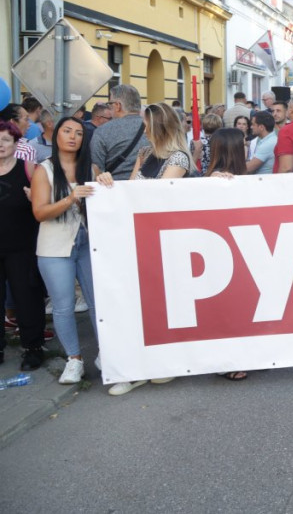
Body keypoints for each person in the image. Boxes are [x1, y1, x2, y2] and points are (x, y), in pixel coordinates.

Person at [98, 103, 195, 395]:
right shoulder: (143, 153)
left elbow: (156, 197)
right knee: (137, 303)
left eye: (146, 124)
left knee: (161, 303)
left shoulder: (179, 158)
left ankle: (162, 363)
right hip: (138, 238)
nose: (143, 129)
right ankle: (136, 366)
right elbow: (130, 191)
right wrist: (108, 183)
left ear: (157, 127)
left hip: (164, 240)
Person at [31, 117, 101, 384]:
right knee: (63, 307)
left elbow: (105, 203)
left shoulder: (90, 168)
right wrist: (71, 198)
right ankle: (74, 359)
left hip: (89, 244)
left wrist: (105, 180)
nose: (73, 137)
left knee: (98, 302)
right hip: (54, 247)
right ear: (56, 134)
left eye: (79, 133)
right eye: (67, 131)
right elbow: (40, 212)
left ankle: (107, 353)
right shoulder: (44, 170)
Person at [204, 128, 250, 381]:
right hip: (222, 254)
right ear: (233, 148)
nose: (247, 147)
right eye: (243, 144)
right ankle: (224, 361)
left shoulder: (242, 176)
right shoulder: (215, 179)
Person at [0, 120, 45, 370]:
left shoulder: (29, 169)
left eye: (6, 140)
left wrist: (34, 197)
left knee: (27, 299)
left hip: (23, 248)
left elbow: (43, 203)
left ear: (16, 144)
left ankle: (33, 348)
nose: (0, 145)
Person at [90, 84, 149, 180]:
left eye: (110, 104)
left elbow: (96, 170)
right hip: (151, 186)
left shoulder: (102, 131)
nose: (109, 107)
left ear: (118, 106)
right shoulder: (154, 129)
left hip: (114, 187)